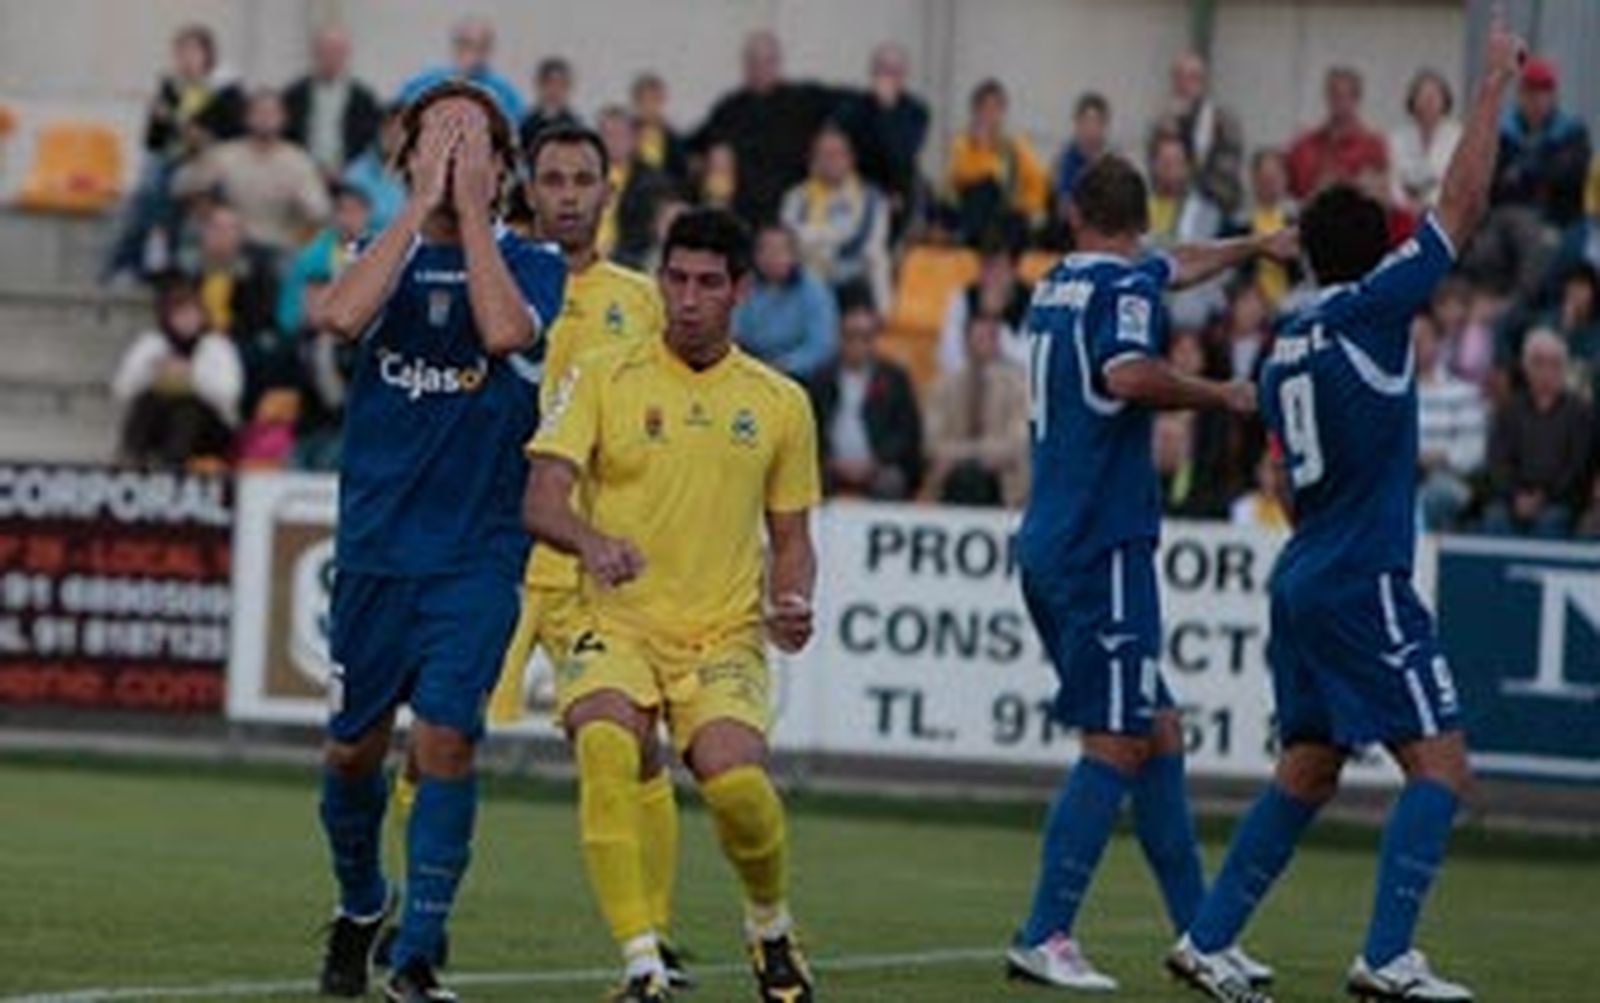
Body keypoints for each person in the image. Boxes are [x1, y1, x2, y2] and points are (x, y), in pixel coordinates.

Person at [1169, 20, 1523, 1003]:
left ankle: (1207, 938)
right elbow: (1462, 202)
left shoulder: (1285, 340)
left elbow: (1280, 471)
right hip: (1362, 574)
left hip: (1304, 572)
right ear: (1377, 254)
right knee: (1441, 766)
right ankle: (1387, 956)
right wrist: (1491, 85)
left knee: (1310, 768)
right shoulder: (1375, 308)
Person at [1006, 152, 1288, 990]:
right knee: (1121, 735)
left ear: (1074, 214)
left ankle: (1201, 934)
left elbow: (1176, 265)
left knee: (1157, 730)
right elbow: (1126, 373)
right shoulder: (1126, 288)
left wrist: (1255, 244)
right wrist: (1223, 393)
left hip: (1052, 535)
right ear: (1141, 223)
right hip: (1104, 541)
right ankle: (1045, 931)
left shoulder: (1059, 282)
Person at [309, 80, 565, 1003]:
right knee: (352, 752)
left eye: (476, 142)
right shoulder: (377, 253)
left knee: (448, 739)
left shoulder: (535, 264)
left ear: (504, 167)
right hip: (376, 549)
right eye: (437, 139)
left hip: (475, 553)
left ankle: (416, 956)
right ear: (407, 156)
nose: (456, 156)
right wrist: (418, 208)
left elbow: (500, 332)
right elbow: (339, 316)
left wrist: (473, 216)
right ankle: (360, 901)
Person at [523, 208, 819, 1003]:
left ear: (740, 290)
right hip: (613, 621)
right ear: (659, 280)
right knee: (604, 746)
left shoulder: (780, 401)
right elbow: (541, 499)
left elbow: (792, 537)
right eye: (676, 279)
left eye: (708, 283)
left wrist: (793, 598)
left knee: (738, 790)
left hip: (721, 633)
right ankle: (641, 966)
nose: (687, 299)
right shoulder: (602, 374)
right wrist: (589, 541)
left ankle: (770, 923)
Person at [487, 124, 688, 986]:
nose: (567, 194)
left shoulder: (641, 300)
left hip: (593, 559)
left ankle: (656, 937)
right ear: (528, 189)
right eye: (552, 179)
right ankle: (414, 930)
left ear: (607, 191)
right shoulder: (497, 283)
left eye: (582, 179)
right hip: (499, 548)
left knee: (635, 746)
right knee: (439, 739)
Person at [103, 24, 245, 281]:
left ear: (207, 54)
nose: (185, 59)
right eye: (180, 52)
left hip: (211, 161)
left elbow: (223, 136)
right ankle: (130, 265)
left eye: (192, 51)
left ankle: (131, 265)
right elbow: (153, 141)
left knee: (158, 189)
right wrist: (161, 120)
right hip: (171, 159)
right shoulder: (170, 87)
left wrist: (177, 123)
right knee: (147, 190)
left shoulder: (227, 90)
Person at [690, 31, 839, 224]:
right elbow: (692, 145)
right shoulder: (728, 108)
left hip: (793, 215)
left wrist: (829, 139)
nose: (760, 69)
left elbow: (853, 110)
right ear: (744, 65)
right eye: (753, 61)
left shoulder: (805, 99)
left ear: (778, 63)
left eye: (768, 61)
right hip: (741, 215)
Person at [172, 88, 332, 253]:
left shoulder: (299, 161)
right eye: (259, 112)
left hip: (280, 247)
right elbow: (180, 186)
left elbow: (321, 212)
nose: (265, 118)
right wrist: (199, 160)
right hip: (236, 245)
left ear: (284, 119)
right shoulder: (226, 155)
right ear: (247, 118)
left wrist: (300, 198)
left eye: (272, 113)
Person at [112, 277, 242, 467]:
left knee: (186, 408)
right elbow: (122, 388)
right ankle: (131, 458)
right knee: (147, 402)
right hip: (162, 420)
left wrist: (192, 375)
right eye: (180, 314)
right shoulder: (151, 343)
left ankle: (171, 465)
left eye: (192, 313)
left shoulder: (217, 346)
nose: (187, 320)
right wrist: (152, 371)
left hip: (209, 425)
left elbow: (229, 394)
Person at [1482, 329, 1592, 538]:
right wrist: (1515, 496)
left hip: (1559, 500)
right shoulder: (1509, 411)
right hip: (1513, 498)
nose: (1546, 371)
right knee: (1495, 518)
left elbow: (1577, 468)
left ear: (1564, 368)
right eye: (1538, 362)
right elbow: (1497, 462)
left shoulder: (1580, 413)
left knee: (1551, 521)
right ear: (1525, 367)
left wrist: (1543, 497)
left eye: (1554, 363)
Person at [808, 300, 923, 499]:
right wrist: (832, 461)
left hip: (879, 466)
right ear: (839, 337)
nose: (858, 344)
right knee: (808, 479)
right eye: (851, 336)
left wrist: (875, 462)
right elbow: (811, 428)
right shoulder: (821, 379)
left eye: (866, 337)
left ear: (875, 339)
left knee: (891, 482)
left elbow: (906, 432)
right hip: (831, 466)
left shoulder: (894, 378)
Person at [780, 124, 893, 311]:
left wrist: (812, 237)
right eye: (824, 155)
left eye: (838, 154)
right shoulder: (796, 197)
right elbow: (788, 241)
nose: (831, 161)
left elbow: (868, 248)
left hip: (855, 287)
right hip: (805, 285)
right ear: (813, 160)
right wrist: (835, 234)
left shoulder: (873, 200)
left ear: (851, 159)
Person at [923, 315, 1030, 507]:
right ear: (966, 342)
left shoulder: (1018, 386)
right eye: (980, 338)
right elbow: (931, 443)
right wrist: (978, 455)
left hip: (1001, 482)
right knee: (964, 476)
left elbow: (1018, 443)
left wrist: (963, 455)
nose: (986, 345)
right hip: (951, 480)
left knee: (976, 475)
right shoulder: (944, 386)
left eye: (991, 337)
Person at [832, 43, 931, 238]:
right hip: (855, 191)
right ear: (872, 72)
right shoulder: (852, 109)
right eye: (883, 69)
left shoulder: (917, 112)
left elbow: (901, 156)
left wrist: (886, 111)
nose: (887, 77)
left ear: (904, 75)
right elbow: (844, 150)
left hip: (896, 192)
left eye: (894, 71)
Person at [1491, 56, 1592, 229]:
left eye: (1543, 92)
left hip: (1556, 222)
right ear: (1520, 95)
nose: (1536, 100)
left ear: (1553, 96)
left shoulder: (1572, 132)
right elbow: (1494, 178)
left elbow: (1568, 175)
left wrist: (1524, 173)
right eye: (1530, 92)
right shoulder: (1503, 133)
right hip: (1504, 217)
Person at [945, 79, 1048, 246]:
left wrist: (1025, 207)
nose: (990, 115)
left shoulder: (1016, 145)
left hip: (1007, 215)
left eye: (995, 109)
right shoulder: (962, 143)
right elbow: (961, 176)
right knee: (985, 187)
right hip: (972, 212)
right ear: (975, 112)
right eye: (984, 108)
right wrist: (982, 147)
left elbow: (1037, 181)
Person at [733, 223, 839, 380]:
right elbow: (734, 331)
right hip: (752, 369)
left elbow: (821, 345)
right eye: (764, 250)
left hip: (799, 374)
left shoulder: (814, 290)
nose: (771, 257)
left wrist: (785, 365)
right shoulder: (746, 286)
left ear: (794, 255)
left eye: (779, 251)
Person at [1414, 312, 1488, 531]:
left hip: (1448, 479)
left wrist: (1441, 457)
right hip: (1404, 478)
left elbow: (1474, 452)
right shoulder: (1394, 397)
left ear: (1437, 342)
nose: (1414, 345)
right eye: (1409, 339)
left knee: (1435, 494)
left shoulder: (1463, 393)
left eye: (1421, 339)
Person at [1150, 53, 1245, 216]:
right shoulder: (1163, 122)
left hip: (1214, 205)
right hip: (1170, 207)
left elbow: (1227, 172)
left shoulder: (1223, 122)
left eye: (1191, 78)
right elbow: (1155, 170)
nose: (1183, 85)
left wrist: (1185, 174)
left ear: (1203, 83)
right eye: (1178, 78)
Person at [283, 24, 383, 177]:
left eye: (337, 51)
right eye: (325, 51)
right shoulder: (294, 95)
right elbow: (287, 139)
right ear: (314, 53)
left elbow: (372, 143)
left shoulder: (363, 99)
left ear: (346, 55)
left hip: (349, 177)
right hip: (301, 176)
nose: (330, 57)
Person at [277, 184, 371, 336]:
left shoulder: (378, 249)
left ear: (367, 214)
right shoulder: (311, 257)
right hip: (316, 332)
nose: (348, 219)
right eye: (342, 211)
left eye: (355, 211)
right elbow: (293, 313)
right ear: (333, 216)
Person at [398, 16, 526, 127]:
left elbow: (518, 130)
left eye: (481, 46)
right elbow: (399, 119)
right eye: (466, 44)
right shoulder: (423, 82)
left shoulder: (505, 91)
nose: (473, 52)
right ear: (455, 45)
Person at [1287, 66, 1389, 200]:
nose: (1338, 102)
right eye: (1334, 95)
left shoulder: (1373, 145)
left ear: (1357, 99)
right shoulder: (1303, 145)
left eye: (1344, 96)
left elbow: (1382, 197)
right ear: (1326, 97)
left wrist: (1347, 185)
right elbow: (1288, 196)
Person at [596, 106, 678, 270]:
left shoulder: (653, 182)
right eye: (607, 134)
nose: (614, 141)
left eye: (620, 134)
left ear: (633, 138)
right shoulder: (582, 176)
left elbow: (651, 233)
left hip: (631, 261)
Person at [937, 240, 1032, 375]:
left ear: (1013, 269)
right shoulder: (963, 297)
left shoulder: (1034, 302)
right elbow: (947, 356)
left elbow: (1032, 362)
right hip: (972, 377)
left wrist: (998, 335)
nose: (989, 276)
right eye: (985, 266)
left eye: (997, 267)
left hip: (1015, 379)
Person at [1390, 69, 1461, 213]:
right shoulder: (1396, 139)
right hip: (1404, 212)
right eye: (1423, 95)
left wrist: (1427, 205)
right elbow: (1392, 180)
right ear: (1413, 100)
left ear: (1445, 101)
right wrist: (1407, 205)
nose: (1429, 101)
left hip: (1445, 211)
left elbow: (1457, 182)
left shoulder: (1458, 137)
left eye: (1435, 95)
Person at [1053, 92, 1112, 219]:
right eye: (1085, 122)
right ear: (1076, 124)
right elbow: (1062, 206)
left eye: (1096, 122)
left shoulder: (1113, 163)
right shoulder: (1063, 162)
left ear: (1104, 125)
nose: (1090, 128)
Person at [630, 72, 689, 184]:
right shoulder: (625, 135)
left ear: (663, 101)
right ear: (636, 102)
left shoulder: (673, 138)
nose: (650, 106)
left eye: (655, 99)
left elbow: (681, 173)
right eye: (645, 100)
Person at [519, 56, 583, 153]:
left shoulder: (576, 127)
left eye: (560, 85)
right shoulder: (527, 124)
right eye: (549, 84)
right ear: (539, 86)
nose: (554, 91)